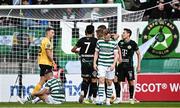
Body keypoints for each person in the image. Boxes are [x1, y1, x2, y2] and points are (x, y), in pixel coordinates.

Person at [71, 25, 98, 104]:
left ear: (85, 31)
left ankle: (83, 92)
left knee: (85, 80)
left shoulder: (81, 40)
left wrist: (80, 52)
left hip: (84, 62)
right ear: (93, 32)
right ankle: (94, 98)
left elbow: (73, 49)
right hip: (93, 63)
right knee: (94, 80)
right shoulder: (96, 40)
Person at [114, 28, 141, 104]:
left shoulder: (133, 43)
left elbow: (138, 54)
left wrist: (139, 66)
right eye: (123, 33)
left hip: (129, 66)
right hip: (120, 66)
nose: (123, 34)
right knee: (117, 81)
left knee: (131, 82)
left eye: (124, 33)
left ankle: (131, 98)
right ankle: (118, 98)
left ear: (128, 34)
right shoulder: (120, 42)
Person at [93, 28, 119, 105]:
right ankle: (101, 99)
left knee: (109, 82)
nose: (105, 37)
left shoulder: (114, 43)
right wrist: (94, 63)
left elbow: (116, 55)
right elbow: (96, 53)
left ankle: (108, 100)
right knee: (101, 80)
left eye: (107, 35)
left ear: (109, 35)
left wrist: (114, 64)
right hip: (101, 64)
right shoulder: (99, 42)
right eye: (104, 35)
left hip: (110, 64)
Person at [32, 27, 57, 95]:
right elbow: (48, 53)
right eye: (52, 32)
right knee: (48, 81)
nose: (53, 34)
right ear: (48, 33)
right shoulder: (47, 41)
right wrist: (53, 61)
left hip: (42, 63)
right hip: (46, 63)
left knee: (42, 81)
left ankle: (34, 97)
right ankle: (33, 95)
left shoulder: (44, 40)